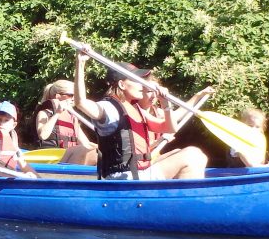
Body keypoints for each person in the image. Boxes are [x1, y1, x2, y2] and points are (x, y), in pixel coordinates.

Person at [73, 48, 208, 180]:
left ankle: (176, 200)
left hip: (141, 173)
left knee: (187, 153)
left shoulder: (135, 108)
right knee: (193, 155)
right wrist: (81, 63)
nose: (142, 85)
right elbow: (81, 103)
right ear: (122, 85)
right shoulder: (109, 108)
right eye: (136, 81)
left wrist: (165, 104)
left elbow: (170, 128)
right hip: (123, 178)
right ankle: (184, 200)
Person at [35, 79, 97, 165]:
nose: (74, 99)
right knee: (83, 149)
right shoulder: (44, 113)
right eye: (71, 95)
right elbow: (42, 135)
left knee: (94, 151)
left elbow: (86, 144)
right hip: (51, 158)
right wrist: (57, 113)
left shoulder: (73, 118)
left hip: (68, 158)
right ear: (58, 96)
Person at [0, 101, 39, 178]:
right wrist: (19, 176)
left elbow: (22, 163)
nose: (1, 124)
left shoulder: (12, 140)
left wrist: (38, 179)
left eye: (6, 120)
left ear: (14, 125)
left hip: (6, 180)